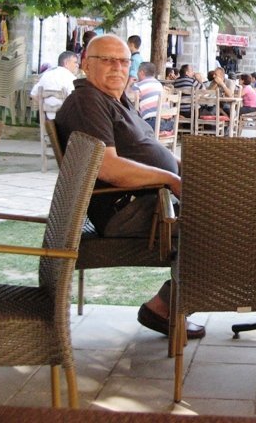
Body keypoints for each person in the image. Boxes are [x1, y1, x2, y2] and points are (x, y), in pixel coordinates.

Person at [54, 34, 204, 340]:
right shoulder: (87, 101)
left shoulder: (114, 100)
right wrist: (171, 179)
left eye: (123, 61)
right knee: (224, 225)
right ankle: (165, 307)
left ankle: (172, 303)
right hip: (126, 209)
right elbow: (107, 167)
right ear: (86, 64)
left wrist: (193, 171)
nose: (117, 68)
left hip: (149, 202)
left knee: (234, 205)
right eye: (107, 60)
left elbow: (147, 150)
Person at [29, 50, 79, 119]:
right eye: (75, 62)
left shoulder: (46, 75)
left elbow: (33, 94)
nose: (77, 65)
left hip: (48, 120)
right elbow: (75, 100)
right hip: (65, 120)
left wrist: (44, 106)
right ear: (66, 63)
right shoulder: (71, 78)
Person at [132, 61, 171, 132]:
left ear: (142, 72)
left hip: (152, 123)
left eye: (138, 71)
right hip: (169, 124)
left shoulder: (138, 86)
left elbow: (129, 99)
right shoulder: (159, 84)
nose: (137, 74)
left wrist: (130, 84)